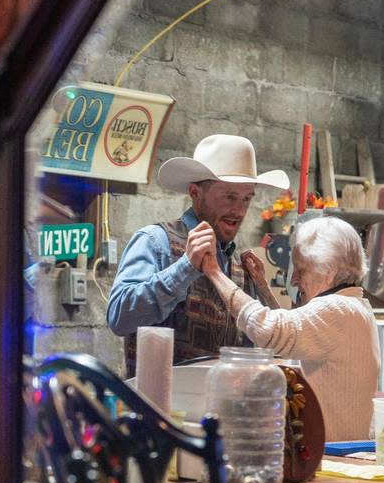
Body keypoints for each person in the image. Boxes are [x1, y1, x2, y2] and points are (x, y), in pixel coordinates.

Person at [107, 134, 289, 375]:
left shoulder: (239, 266)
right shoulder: (155, 241)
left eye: (246, 198)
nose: (239, 210)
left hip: (223, 408)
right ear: (195, 193)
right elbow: (119, 318)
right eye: (229, 196)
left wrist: (262, 290)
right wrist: (184, 267)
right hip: (160, 408)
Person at [199, 215, 380, 441]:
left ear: (328, 271)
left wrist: (214, 272)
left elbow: (270, 330)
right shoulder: (354, 306)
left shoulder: (337, 309)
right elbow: (295, 333)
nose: (294, 280)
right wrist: (263, 288)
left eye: (301, 270)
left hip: (333, 458)